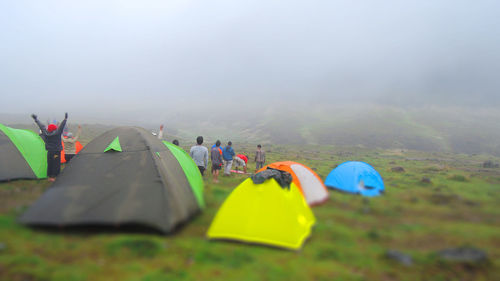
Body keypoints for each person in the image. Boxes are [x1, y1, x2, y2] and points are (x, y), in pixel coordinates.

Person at [32, 112, 68, 182]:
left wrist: (36, 119)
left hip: (50, 151)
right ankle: (55, 177)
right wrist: (65, 119)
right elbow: (61, 126)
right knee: (56, 164)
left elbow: (41, 126)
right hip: (56, 151)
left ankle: (50, 176)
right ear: (55, 129)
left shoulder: (45, 133)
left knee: (50, 163)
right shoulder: (57, 133)